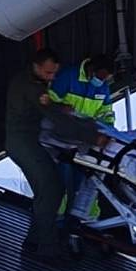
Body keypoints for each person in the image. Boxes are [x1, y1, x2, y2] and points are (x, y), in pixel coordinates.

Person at [5, 50, 68, 261]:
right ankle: (47, 248)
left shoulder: (30, 81)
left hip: (25, 141)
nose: (52, 77)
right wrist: (91, 135)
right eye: (49, 72)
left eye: (54, 74)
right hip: (22, 142)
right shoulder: (31, 87)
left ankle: (34, 241)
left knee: (46, 190)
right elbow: (50, 112)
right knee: (51, 188)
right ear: (37, 66)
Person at [48, 52, 117, 225]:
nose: (102, 82)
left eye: (105, 79)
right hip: (61, 140)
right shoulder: (68, 76)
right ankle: (55, 219)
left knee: (84, 183)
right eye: (101, 77)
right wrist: (60, 109)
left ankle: (83, 221)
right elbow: (49, 103)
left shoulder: (103, 87)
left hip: (86, 142)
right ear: (92, 69)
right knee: (61, 181)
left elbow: (106, 115)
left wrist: (108, 132)